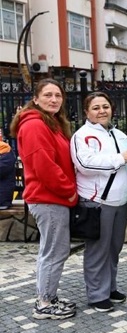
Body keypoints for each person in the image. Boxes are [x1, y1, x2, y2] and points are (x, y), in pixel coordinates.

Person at [9, 79, 78, 319]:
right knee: (55, 251)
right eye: (48, 95)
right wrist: (69, 190)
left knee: (50, 250)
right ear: (36, 99)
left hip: (51, 197)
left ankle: (47, 296)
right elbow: (44, 166)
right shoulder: (35, 125)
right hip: (50, 198)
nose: (54, 99)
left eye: (58, 95)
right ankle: (45, 303)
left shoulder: (49, 123)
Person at [70, 92, 127, 312]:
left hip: (119, 201)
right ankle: (97, 294)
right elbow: (85, 164)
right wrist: (119, 159)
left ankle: (110, 287)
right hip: (97, 201)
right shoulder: (82, 136)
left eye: (105, 106)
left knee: (114, 248)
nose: (102, 111)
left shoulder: (119, 134)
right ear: (87, 112)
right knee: (98, 250)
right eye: (96, 107)